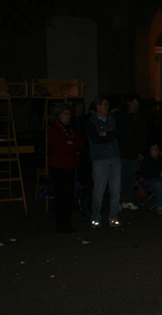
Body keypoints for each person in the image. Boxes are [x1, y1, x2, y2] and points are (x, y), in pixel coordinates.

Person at [86, 96, 122, 228]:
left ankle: (113, 216)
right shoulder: (91, 121)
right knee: (99, 190)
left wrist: (104, 134)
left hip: (114, 157)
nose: (108, 107)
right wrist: (109, 135)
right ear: (98, 106)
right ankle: (96, 217)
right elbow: (95, 139)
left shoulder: (112, 119)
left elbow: (118, 134)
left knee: (116, 189)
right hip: (100, 159)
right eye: (105, 105)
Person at [48, 104, 85, 233]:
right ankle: (61, 224)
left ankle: (67, 223)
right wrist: (71, 146)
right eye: (65, 114)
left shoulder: (69, 129)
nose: (68, 116)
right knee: (61, 196)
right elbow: (59, 147)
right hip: (59, 167)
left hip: (69, 166)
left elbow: (80, 143)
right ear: (59, 115)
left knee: (69, 196)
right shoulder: (55, 129)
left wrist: (72, 144)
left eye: (69, 114)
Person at [115, 94, 147, 211]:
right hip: (122, 152)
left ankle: (127, 200)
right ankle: (118, 201)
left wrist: (140, 151)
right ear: (128, 103)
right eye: (134, 103)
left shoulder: (139, 118)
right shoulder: (120, 115)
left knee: (130, 178)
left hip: (133, 153)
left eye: (138, 104)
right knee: (120, 178)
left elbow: (143, 136)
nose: (136, 106)